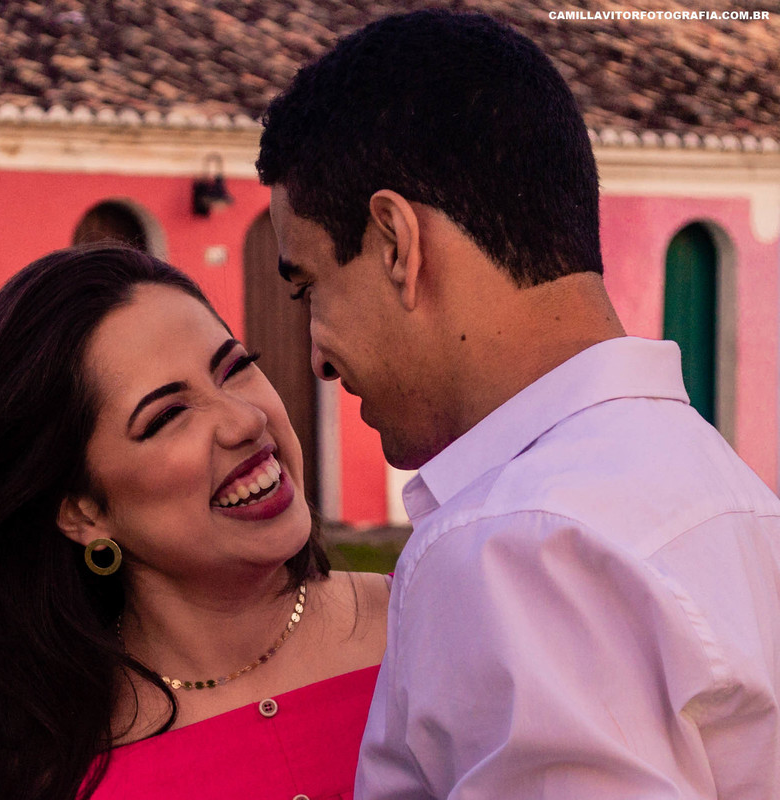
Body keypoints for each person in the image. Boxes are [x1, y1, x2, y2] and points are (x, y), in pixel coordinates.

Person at [257, 9, 780, 799]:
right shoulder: (730, 498)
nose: (318, 355)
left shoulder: (514, 545)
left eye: (309, 288)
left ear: (396, 244)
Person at [0, 245, 389, 800]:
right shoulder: (37, 762)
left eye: (234, 368)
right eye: (168, 415)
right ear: (83, 511)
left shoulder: (423, 621)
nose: (245, 420)